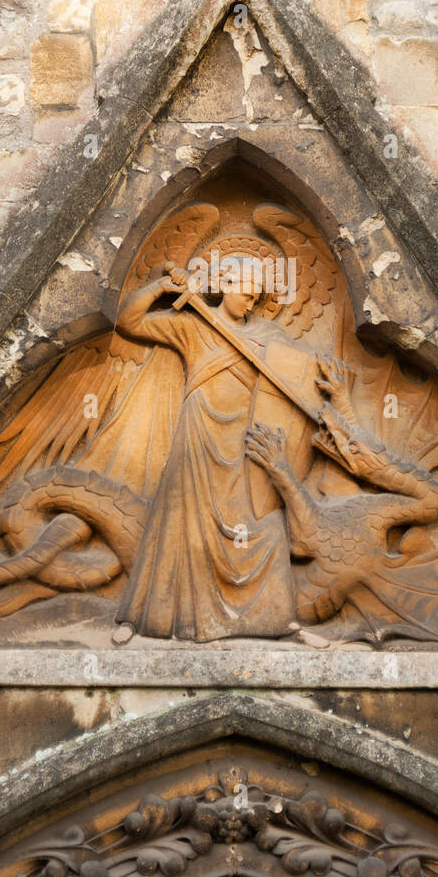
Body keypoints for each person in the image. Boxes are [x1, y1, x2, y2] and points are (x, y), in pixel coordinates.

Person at [113, 256, 298, 642]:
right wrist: (160, 289)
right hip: (200, 432)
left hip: (247, 441)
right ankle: (153, 617)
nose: (251, 304)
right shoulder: (192, 327)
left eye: (257, 299)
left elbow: (298, 375)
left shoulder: (269, 336)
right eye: (247, 295)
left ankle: (274, 618)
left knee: (264, 523)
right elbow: (129, 322)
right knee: (182, 519)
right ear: (228, 284)